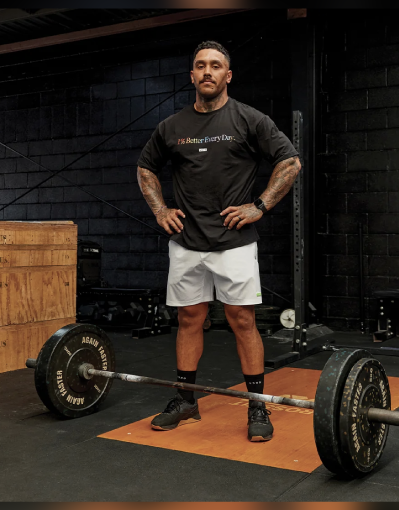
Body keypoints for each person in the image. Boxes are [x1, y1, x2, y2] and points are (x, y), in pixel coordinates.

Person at [135, 40, 301, 442]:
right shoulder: (171, 127)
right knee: (189, 319)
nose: (207, 71)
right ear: (191, 75)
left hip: (234, 242)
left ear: (228, 75)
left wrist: (259, 205)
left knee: (242, 321)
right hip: (186, 241)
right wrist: (160, 210)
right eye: (200, 65)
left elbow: (290, 161)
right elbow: (145, 167)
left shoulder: (248, 119)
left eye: (215, 65)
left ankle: (257, 405)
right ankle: (185, 401)